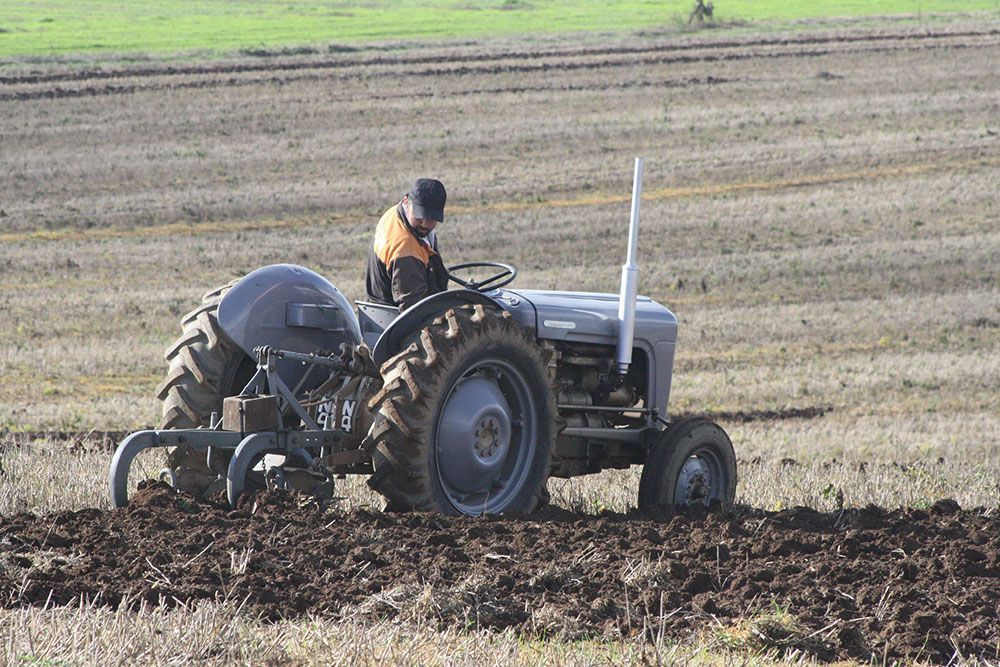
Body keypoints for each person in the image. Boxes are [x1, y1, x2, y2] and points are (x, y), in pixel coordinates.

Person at [366, 178, 450, 311]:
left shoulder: (397, 213)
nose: (425, 224)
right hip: (397, 320)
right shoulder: (405, 251)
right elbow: (415, 310)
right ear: (406, 201)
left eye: (431, 219)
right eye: (419, 217)